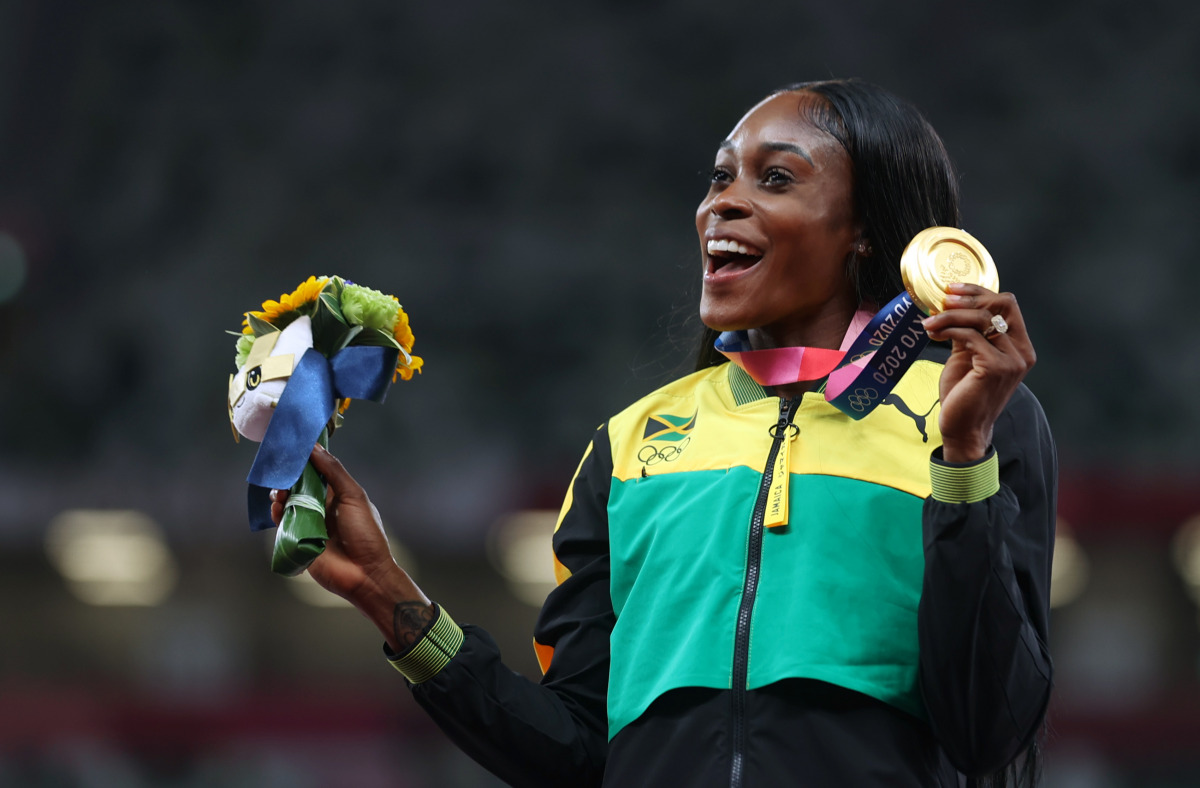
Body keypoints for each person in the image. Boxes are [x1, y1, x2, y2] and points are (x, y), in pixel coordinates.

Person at [271, 79, 1056, 788]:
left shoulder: (974, 410)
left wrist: (963, 459)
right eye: (720, 177)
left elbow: (987, 730)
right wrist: (385, 593)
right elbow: (576, 752)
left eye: (775, 178)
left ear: (865, 230)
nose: (723, 204)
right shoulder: (628, 445)